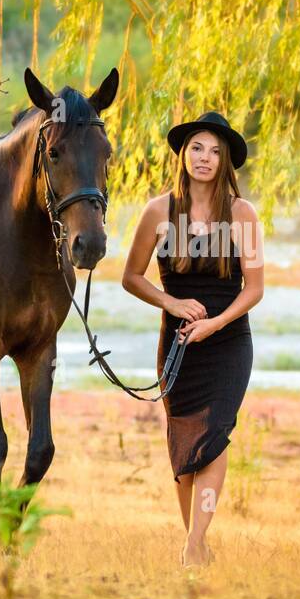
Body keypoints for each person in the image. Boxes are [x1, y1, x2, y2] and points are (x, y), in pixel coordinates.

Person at [122, 111, 264, 567]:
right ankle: (198, 545)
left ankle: (191, 546)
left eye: (216, 152)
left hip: (227, 344)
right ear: (184, 155)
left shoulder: (243, 214)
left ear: (226, 163)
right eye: (198, 148)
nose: (205, 158)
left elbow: (255, 289)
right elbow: (130, 277)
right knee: (184, 449)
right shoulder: (158, 211)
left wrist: (215, 322)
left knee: (214, 438)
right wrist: (172, 303)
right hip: (178, 346)